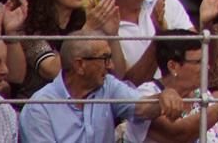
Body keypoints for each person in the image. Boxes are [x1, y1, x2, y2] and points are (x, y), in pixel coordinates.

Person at [21, 34, 183, 143]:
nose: (111, 66)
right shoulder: (39, 108)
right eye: (105, 59)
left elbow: (141, 108)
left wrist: (163, 97)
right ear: (80, 65)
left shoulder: (107, 85)